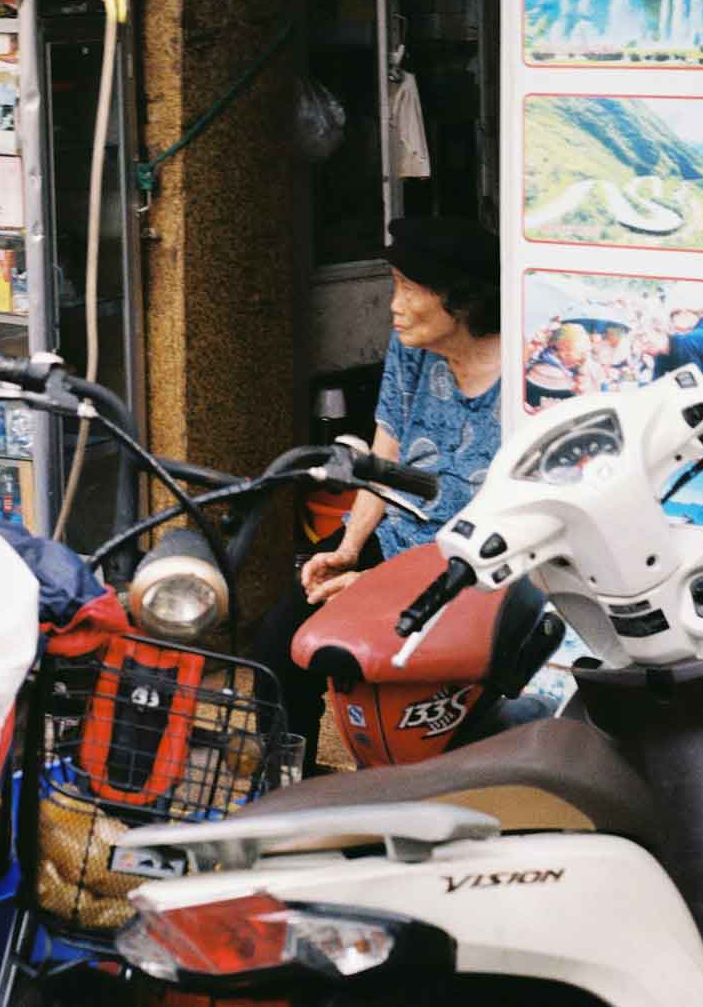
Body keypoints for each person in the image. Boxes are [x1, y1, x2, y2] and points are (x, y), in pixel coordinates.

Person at [252, 215, 531, 772]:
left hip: (473, 567)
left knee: (395, 674)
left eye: (407, 289)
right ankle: (289, 780)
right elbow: (386, 453)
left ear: (460, 298)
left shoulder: (525, 376)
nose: (394, 307)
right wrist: (348, 549)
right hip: (396, 538)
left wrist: (378, 589)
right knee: (279, 640)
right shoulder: (412, 348)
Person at [650, 282, 703, 386]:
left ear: (685, 311)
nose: (673, 323)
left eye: (673, 315)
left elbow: (688, 390)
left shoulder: (689, 340)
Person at [524, 321, 596, 407]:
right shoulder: (553, 373)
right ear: (565, 350)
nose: (579, 362)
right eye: (580, 354)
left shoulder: (543, 361)